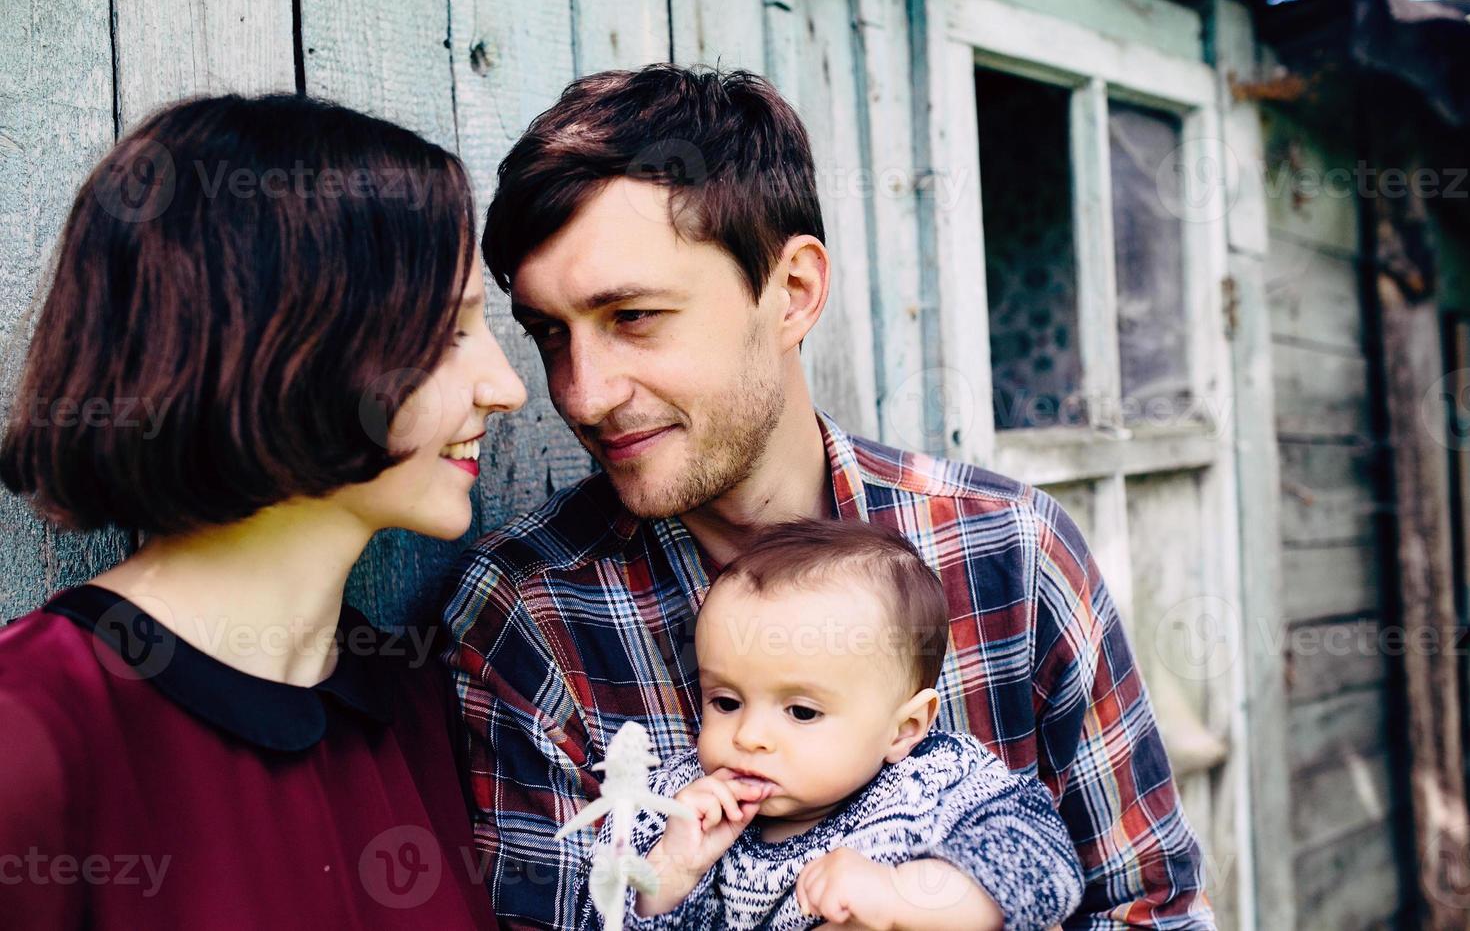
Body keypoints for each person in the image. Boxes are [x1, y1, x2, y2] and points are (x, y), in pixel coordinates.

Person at [441, 63, 1214, 929]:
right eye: (552, 333)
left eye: (633, 317)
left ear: (794, 293)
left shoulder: (1009, 550)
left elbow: (1152, 904)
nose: (582, 395)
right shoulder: (529, 615)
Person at [0, 93, 526, 928]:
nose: (508, 388)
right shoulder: (30, 729)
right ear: (297, 341)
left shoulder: (410, 704)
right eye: (450, 332)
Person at [577, 519, 1084, 931]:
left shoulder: (937, 780)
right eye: (726, 701)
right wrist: (671, 873)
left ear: (904, 728)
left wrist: (900, 897)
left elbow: (1044, 864)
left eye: (801, 712)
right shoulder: (677, 807)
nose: (748, 736)